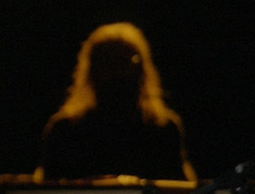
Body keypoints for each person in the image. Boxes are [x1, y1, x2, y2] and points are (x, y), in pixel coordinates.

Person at [36, 22, 196, 183]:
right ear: (92, 69)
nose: (117, 72)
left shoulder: (164, 131)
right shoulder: (65, 131)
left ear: (141, 69)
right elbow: (46, 191)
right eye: (107, 62)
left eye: (125, 61)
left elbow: (181, 190)